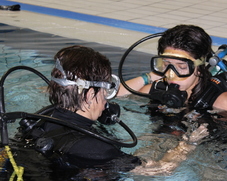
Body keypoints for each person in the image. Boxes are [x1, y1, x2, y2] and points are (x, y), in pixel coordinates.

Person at [117, 25, 227, 175]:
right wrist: (151, 76)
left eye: (182, 67)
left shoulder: (225, 101)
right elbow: (111, 95)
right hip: (168, 137)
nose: (171, 74)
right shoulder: (156, 87)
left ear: (199, 66)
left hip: (214, 152)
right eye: (165, 65)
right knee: (138, 166)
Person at [16, 45, 140, 175]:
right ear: (90, 95)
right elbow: (154, 170)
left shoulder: (39, 119)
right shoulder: (96, 149)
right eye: (105, 91)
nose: (106, 100)